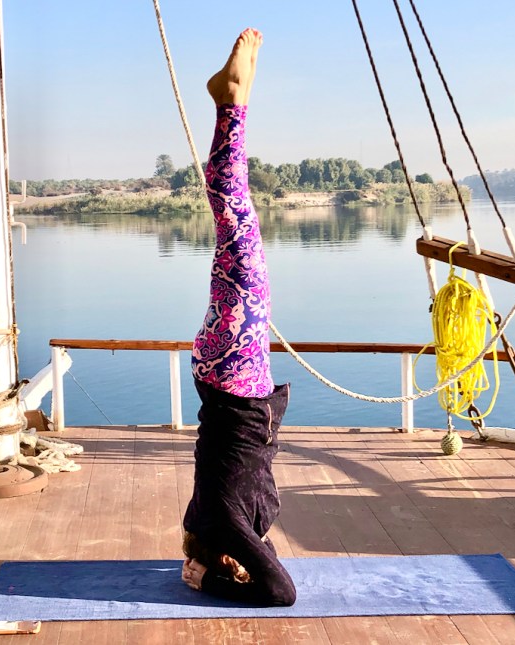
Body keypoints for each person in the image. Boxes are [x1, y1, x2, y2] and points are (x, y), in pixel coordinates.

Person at [180, 28, 296, 607]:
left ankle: (230, 103)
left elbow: (281, 593)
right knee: (239, 234)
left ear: (227, 557)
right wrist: (210, 566)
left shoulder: (223, 523)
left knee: (237, 224)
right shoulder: (206, 518)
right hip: (225, 375)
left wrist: (215, 580)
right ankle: (234, 99)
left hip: (233, 374)